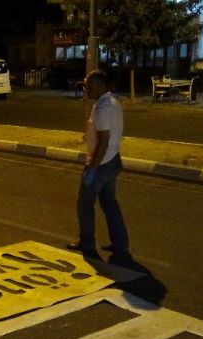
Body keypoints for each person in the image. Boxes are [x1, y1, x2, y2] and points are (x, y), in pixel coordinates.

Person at [67, 69, 129, 255]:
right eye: (86, 86)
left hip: (101, 164)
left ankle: (87, 242)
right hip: (113, 160)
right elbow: (107, 132)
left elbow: (103, 141)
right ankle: (121, 243)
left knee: (84, 203)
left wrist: (92, 169)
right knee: (109, 203)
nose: (87, 90)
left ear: (102, 86)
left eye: (90, 87)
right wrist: (90, 134)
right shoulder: (111, 102)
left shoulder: (103, 108)